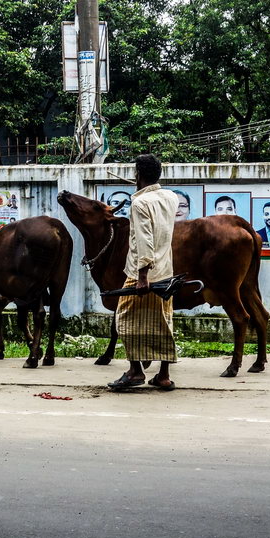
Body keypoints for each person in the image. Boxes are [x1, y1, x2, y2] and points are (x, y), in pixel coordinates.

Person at [107, 154, 180, 392]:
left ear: (138, 175)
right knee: (163, 323)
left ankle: (135, 371)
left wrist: (142, 278)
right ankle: (164, 375)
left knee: (124, 319)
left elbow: (144, 240)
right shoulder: (171, 197)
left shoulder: (139, 204)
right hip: (166, 272)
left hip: (143, 273)